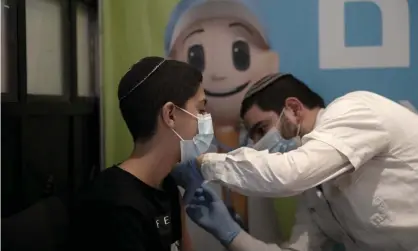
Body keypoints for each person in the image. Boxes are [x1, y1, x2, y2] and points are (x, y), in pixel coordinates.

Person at [174, 73, 418, 250]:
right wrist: (231, 234)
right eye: (252, 137)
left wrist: (204, 164)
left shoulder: (354, 110)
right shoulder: (316, 194)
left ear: (294, 108)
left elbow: (292, 173)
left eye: (261, 129)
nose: (257, 145)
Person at [71, 56, 213, 251]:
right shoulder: (117, 206)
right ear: (170, 114)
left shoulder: (168, 186)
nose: (206, 119)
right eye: (201, 109)